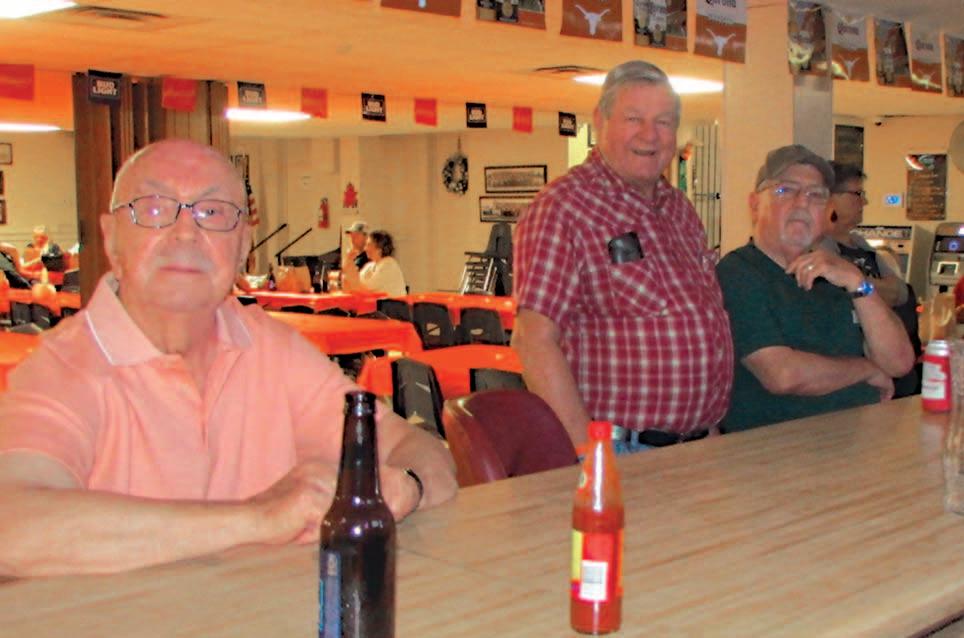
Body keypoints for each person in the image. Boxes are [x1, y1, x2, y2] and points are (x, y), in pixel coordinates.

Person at [0, 139, 456, 578]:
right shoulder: (63, 367)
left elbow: (415, 449)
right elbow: (12, 526)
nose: (185, 232)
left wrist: (406, 485)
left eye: (213, 212)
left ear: (242, 247)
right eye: (154, 208)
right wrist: (258, 519)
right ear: (111, 237)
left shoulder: (274, 350)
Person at [511, 60, 734, 453]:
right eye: (634, 118)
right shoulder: (563, 207)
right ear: (601, 120)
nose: (650, 134)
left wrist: (708, 426)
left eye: (664, 122)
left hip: (698, 447)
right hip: (620, 451)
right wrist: (589, 453)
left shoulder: (679, 209)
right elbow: (534, 341)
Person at [716, 145, 914, 433]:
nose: (802, 202)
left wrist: (858, 283)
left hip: (858, 439)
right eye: (785, 190)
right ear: (755, 204)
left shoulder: (835, 273)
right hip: (780, 449)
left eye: (816, 195)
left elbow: (899, 362)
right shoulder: (739, 272)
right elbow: (782, 374)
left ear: (827, 212)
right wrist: (865, 369)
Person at [818, 161, 920, 397]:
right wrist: (872, 290)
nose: (864, 202)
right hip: (857, 368)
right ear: (830, 198)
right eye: (857, 194)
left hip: (895, 359)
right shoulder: (819, 248)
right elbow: (839, 293)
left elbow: (900, 292)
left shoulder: (862, 244)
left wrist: (860, 286)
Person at [342, 230, 407, 297]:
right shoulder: (370, 266)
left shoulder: (389, 265)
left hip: (391, 303)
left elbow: (363, 288)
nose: (365, 249)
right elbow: (354, 285)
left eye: (369, 245)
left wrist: (349, 263)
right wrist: (348, 262)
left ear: (379, 249)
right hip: (377, 302)